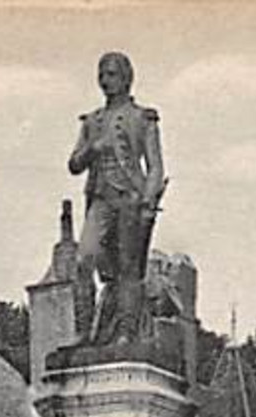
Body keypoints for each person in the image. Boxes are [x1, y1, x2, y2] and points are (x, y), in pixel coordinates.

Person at [67, 51, 166, 348]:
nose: (104, 81)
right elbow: (73, 164)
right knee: (84, 259)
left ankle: (126, 332)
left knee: (127, 267)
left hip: (130, 199)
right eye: (101, 74)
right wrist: (93, 149)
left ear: (126, 78)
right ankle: (83, 332)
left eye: (111, 74)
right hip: (100, 199)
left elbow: (156, 167)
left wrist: (148, 201)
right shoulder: (92, 121)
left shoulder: (142, 118)